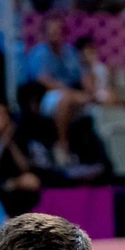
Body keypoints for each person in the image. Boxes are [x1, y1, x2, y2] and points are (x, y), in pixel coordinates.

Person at [22, 16, 90, 164]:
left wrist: (90, 91)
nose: (54, 34)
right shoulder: (39, 53)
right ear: (45, 33)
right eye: (51, 31)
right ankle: (62, 145)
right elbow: (42, 79)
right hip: (46, 98)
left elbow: (82, 76)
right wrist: (71, 93)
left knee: (100, 97)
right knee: (65, 99)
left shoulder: (71, 53)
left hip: (74, 94)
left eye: (58, 30)